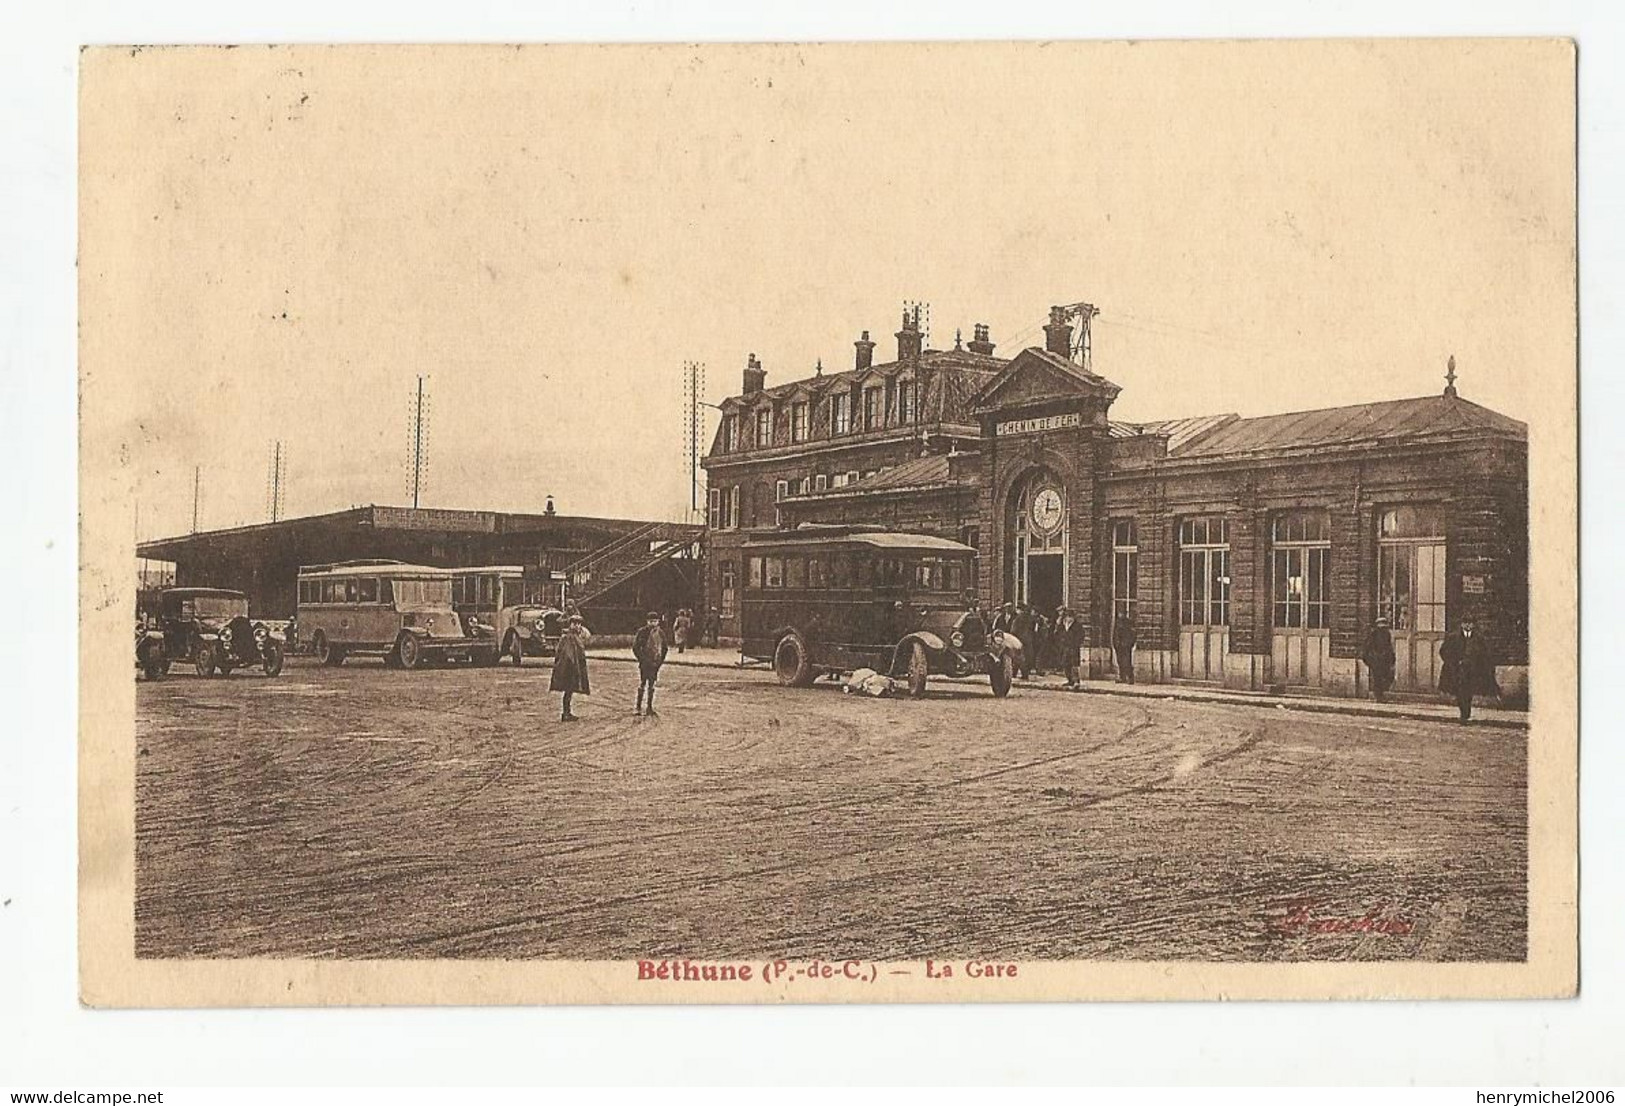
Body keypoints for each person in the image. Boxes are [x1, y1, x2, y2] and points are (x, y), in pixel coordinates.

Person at [1439, 617, 1499, 722]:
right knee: (1459, 691)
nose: (1467, 625)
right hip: (1458, 670)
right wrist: (1453, 662)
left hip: (1472, 670)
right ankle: (1464, 712)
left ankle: (1466, 713)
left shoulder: (1479, 639)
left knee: (1469, 691)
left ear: (1473, 625)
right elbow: (1444, 651)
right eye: (1465, 623)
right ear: (1461, 625)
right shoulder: (1453, 637)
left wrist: (1480, 664)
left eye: (1470, 623)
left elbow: (1485, 653)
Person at [550, 613, 592, 721]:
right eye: (575, 624)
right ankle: (566, 713)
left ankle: (567, 712)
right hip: (569, 668)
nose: (578, 626)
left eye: (579, 624)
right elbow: (567, 654)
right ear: (571, 624)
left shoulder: (575, 636)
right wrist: (573, 666)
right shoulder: (568, 637)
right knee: (568, 690)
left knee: (569, 691)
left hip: (572, 667)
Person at [632, 610, 668, 717]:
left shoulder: (660, 633)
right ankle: (638, 707)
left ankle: (649, 707)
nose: (653, 623)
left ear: (658, 622)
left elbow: (665, 648)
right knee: (642, 683)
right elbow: (636, 648)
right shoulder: (642, 632)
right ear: (647, 621)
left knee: (652, 685)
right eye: (651, 621)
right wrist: (642, 659)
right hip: (644, 663)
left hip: (655, 663)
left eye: (655, 621)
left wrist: (660, 661)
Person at [1361, 616, 1397, 702]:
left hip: (1385, 660)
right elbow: (1367, 648)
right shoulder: (1373, 634)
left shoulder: (1387, 634)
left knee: (1387, 677)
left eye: (1384, 626)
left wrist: (1392, 659)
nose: (1383, 628)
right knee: (1378, 679)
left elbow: (1389, 647)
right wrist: (1370, 660)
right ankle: (1379, 696)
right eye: (1381, 626)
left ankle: (1381, 694)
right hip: (1376, 660)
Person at [1056, 607, 1087, 688]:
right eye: (1067, 616)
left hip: (1073, 647)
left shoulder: (1077, 625)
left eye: (1070, 617)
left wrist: (1076, 644)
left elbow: (1081, 636)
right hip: (1065, 647)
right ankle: (1070, 680)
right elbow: (1057, 634)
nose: (1069, 618)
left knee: (1074, 665)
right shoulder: (1063, 625)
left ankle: (1076, 681)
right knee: (1066, 664)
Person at [1012, 603, 1037, 680]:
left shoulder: (1018, 618)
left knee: (1018, 657)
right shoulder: (1031, 618)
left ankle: (1017, 674)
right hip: (1028, 640)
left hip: (1019, 639)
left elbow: (1014, 630)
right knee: (1026, 657)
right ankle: (1023, 674)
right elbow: (1034, 629)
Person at [1111, 615, 1137, 685]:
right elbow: (1115, 637)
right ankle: (1123, 677)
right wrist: (1116, 645)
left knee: (1126, 662)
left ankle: (1129, 677)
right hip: (1120, 647)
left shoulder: (1127, 629)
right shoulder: (1120, 628)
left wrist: (1128, 644)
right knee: (1121, 662)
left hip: (1125, 647)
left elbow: (1133, 638)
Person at [1031, 609, 1052, 677]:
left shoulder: (1041, 620)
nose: (1032, 613)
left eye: (1033, 612)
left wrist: (1042, 639)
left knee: (1039, 655)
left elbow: (1042, 631)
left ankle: (1039, 669)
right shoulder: (1033, 620)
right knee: (1035, 654)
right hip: (1035, 640)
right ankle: (1035, 668)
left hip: (1040, 640)